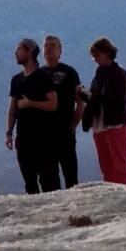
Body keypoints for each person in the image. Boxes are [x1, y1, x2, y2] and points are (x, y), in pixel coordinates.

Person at [4, 37, 59, 194]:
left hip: (43, 137)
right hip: (23, 138)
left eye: (20, 49)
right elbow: (12, 109)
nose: (16, 53)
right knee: (29, 181)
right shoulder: (17, 80)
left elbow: (53, 104)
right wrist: (9, 132)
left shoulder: (44, 77)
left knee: (47, 179)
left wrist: (31, 103)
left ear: (29, 52)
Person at [78, 36, 126, 184]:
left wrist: (96, 97)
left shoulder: (119, 73)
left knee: (120, 166)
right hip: (99, 126)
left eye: (97, 55)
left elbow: (119, 100)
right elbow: (94, 98)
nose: (95, 59)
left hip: (116, 124)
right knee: (106, 167)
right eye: (93, 56)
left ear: (107, 53)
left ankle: (124, 193)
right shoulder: (99, 74)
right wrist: (84, 95)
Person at [42, 35, 84, 188]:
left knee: (70, 174)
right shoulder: (39, 74)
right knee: (49, 176)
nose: (49, 48)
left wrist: (73, 125)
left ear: (60, 51)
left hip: (65, 130)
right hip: (45, 132)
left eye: (53, 45)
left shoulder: (69, 72)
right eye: (46, 45)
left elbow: (80, 102)